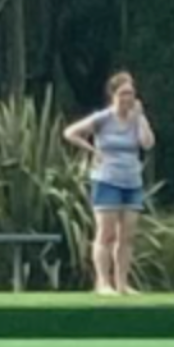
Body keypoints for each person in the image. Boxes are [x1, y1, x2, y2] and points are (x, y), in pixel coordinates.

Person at [63, 70, 155, 295]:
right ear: (113, 95)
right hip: (107, 179)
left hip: (132, 181)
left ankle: (122, 283)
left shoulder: (136, 119)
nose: (127, 98)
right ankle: (103, 282)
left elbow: (147, 143)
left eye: (131, 93)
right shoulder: (103, 118)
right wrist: (92, 150)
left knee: (127, 235)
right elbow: (70, 133)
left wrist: (141, 117)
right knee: (107, 233)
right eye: (123, 93)